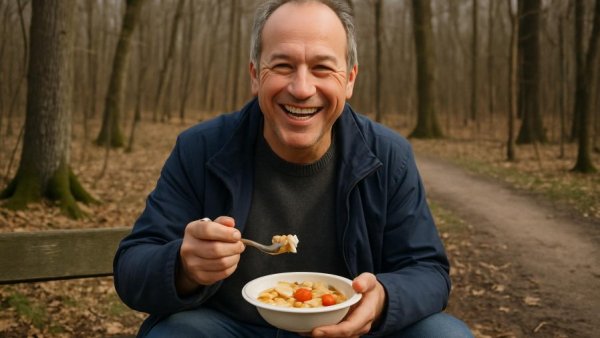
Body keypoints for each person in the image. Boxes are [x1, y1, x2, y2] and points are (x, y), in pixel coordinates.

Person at [113, 0, 473, 337]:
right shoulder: (201, 149)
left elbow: (428, 270)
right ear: (255, 75)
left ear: (349, 79)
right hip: (234, 327)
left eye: (322, 68)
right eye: (283, 66)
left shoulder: (389, 156)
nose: (302, 89)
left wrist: (383, 298)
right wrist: (183, 267)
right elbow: (133, 266)